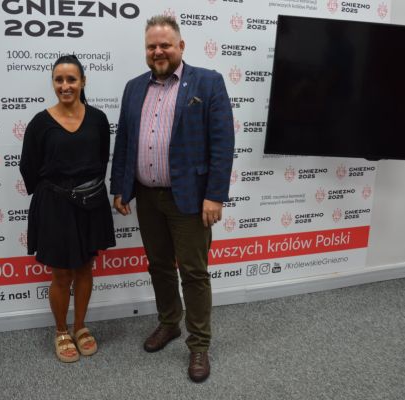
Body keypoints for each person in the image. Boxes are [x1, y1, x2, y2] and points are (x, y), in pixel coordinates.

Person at [110, 15, 234, 382]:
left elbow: (222, 144)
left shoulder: (208, 82)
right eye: (152, 46)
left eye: (165, 44)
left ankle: (199, 344)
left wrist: (215, 196)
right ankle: (169, 323)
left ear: (181, 46)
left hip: (191, 200)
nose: (158, 51)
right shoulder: (134, 87)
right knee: (159, 266)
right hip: (147, 197)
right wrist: (121, 187)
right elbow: (125, 141)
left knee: (193, 273)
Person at [20, 55, 115, 363]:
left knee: (85, 267)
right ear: (53, 83)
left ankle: (80, 326)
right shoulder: (39, 123)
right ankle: (61, 331)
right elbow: (28, 167)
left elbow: (101, 161)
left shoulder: (98, 119)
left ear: (83, 82)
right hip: (54, 206)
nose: (65, 86)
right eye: (59, 80)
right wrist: (56, 193)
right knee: (61, 274)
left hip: (89, 203)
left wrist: (84, 190)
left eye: (71, 79)